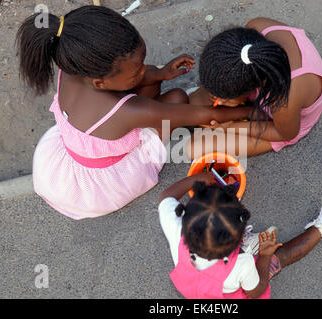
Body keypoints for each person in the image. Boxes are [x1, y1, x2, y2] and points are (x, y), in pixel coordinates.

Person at [16, 5, 253, 219]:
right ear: (100, 82)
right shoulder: (128, 110)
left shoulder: (71, 64)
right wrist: (247, 109)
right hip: (100, 185)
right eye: (137, 71)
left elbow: (133, 81)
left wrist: (160, 73)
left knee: (153, 88)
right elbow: (201, 116)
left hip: (68, 155)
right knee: (178, 98)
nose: (145, 70)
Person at [158, 173, 322, 299]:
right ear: (237, 239)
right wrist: (264, 256)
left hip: (192, 289)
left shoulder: (175, 229)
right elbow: (256, 290)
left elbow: (166, 197)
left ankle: (250, 247)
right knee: (279, 257)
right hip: (229, 291)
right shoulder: (243, 264)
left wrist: (195, 179)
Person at [188, 17, 322, 159]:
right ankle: (249, 110)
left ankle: (249, 112)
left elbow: (285, 134)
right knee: (193, 105)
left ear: (251, 90)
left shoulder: (283, 99)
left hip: (282, 126)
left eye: (224, 98)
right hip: (259, 88)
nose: (218, 100)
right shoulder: (256, 28)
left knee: (194, 148)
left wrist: (230, 127)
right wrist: (244, 111)